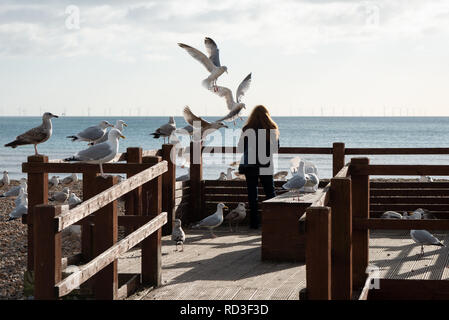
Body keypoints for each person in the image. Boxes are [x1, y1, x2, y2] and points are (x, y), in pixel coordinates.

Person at [238, 105, 279, 229]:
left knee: (252, 194)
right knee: (270, 193)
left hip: (250, 165)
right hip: (266, 164)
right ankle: (273, 222)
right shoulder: (272, 128)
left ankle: (254, 223)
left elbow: (241, 148)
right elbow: (275, 149)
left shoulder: (247, 129)